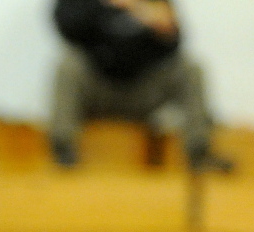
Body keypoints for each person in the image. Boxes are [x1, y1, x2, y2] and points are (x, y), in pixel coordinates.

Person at [49, 0, 234, 172]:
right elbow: (66, 24)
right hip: (98, 89)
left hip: (143, 92)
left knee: (190, 69)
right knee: (68, 66)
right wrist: (111, 5)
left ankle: (199, 151)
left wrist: (146, 14)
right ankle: (63, 147)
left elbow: (173, 40)